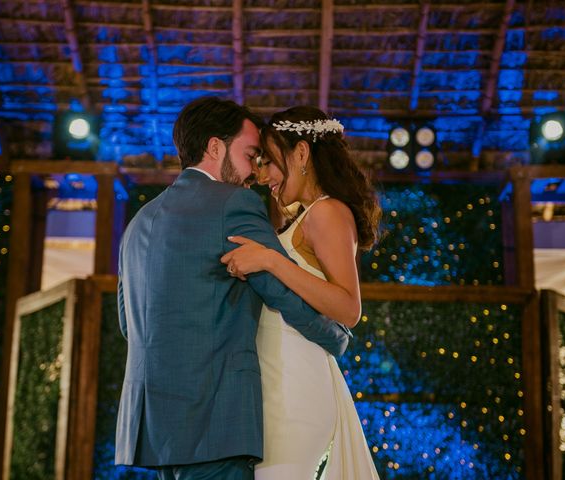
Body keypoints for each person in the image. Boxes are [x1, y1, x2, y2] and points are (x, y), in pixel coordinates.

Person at [114, 97, 351, 480]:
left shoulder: (138, 223)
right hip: (215, 423)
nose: (253, 174)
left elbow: (130, 324)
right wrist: (336, 336)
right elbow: (280, 291)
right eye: (251, 155)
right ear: (214, 147)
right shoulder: (233, 203)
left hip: (153, 431)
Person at [221, 106, 382, 479]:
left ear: (302, 153)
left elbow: (348, 307)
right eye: (258, 163)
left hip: (295, 389)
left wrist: (271, 261)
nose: (262, 176)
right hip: (279, 381)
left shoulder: (327, 212)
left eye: (269, 162)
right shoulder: (304, 216)